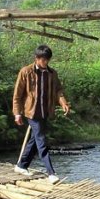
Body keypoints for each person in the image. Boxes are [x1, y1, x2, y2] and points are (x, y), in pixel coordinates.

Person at [12, 44, 70, 183]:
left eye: (47, 60)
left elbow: (58, 91)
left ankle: (21, 165)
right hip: (31, 112)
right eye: (43, 60)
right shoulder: (26, 72)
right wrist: (17, 113)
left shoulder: (52, 73)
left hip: (45, 111)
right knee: (41, 140)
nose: (46, 63)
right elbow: (17, 95)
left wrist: (63, 103)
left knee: (34, 139)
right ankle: (51, 173)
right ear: (36, 59)